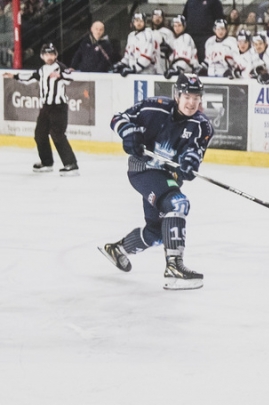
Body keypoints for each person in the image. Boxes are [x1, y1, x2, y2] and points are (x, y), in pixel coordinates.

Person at [101, 74, 213, 290]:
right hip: (143, 169)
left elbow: (194, 154)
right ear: (177, 95)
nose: (191, 102)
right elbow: (118, 118)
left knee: (156, 233)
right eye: (187, 96)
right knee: (178, 204)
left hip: (168, 177)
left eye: (196, 97)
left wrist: (190, 163)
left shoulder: (202, 126)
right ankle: (174, 268)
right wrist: (128, 132)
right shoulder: (153, 107)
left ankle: (118, 250)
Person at [3, 43, 79, 176]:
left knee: (57, 135)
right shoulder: (42, 70)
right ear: (42, 56)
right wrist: (14, 76)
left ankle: (71, 164)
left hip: (58, 107)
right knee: (40, 134)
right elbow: (30, 78)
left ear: (55, 55)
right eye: (46, 54)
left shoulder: (60, 67)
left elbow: (71, 78)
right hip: (46, 107)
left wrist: (60, 76)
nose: (49, 57)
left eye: (51, 54)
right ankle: (47, 162)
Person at [112, 12, 159, 76]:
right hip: (134, 72)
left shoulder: (148, 35)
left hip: (146, 73)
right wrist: (122, 64)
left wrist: (134, 69)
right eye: (136, 21)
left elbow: (146, 57)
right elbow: (128, 55)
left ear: (145, 22)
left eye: (141, 21)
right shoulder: (131, 35)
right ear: (133, 22)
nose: (139, 23)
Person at [151, 9, 176, 74]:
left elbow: (174, 50)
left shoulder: (168, 32)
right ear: (152, 18)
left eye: (160, 17)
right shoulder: (147, 32)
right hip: (149, 64)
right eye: (155, 17)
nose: (157, 19)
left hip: (163, 62)